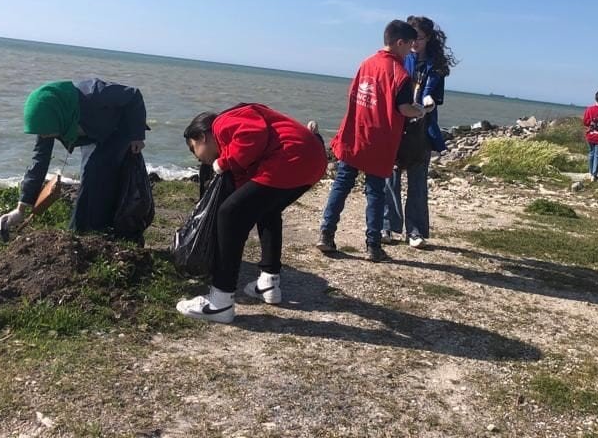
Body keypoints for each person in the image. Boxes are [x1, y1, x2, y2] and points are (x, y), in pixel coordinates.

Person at [176, 104, 327, 323]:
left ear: (201, 137)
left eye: (194, 150)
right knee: (268, 211)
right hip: (312, 161)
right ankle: (269, 281)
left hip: (291, 157)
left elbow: (252, 134)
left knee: (229, 215)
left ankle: (220, 301)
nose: (200, 160)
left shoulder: (222, 124)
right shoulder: (231, 142)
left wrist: (223, 163)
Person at [317, 20, 425, 262]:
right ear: (400, 43)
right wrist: (420, 111)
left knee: (342, 183)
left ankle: (326, 233)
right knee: (375, 191)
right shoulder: (399, 73)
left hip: (354, 133)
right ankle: (373, 245)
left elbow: (353, 94)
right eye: (410, 45)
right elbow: (404, 108)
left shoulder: (366, 63)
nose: (412, 50)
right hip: (379, 139)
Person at [0, 79, 147, 235]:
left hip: (119, 129)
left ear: (55, 118)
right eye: (40, 132)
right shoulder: (48, 121)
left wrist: (137, 135)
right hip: (93, 135)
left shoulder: (95, 93)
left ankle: (103, 231)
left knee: (94, 174)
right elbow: (39, 161)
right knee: (88, 179)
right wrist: (20, 209)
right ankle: (79, 233)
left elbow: (133, 95)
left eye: (45, 132)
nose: (43, 136)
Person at [383, 16, 456, 249]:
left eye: (420, 38)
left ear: (429, 38)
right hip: (397, 125)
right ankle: (387, 225)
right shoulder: (400, 59)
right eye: (412, 38)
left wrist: (428, 102)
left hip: (423, 129)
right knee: (390, 176)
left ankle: (414, 230)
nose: (414, 43)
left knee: (417, 180)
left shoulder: (436, 65)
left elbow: (436, 97)